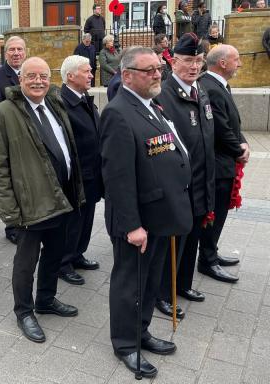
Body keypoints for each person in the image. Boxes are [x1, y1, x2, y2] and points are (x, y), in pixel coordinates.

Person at [100, 47, 192, 378]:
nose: (157, 75)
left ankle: (141, 331)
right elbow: (117, 178)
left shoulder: (149, 106)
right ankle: (126, 343)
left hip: (158, 215)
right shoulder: (118, 112)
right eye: (149, 70)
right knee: (130, 283)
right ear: (127, 76)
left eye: (159, 69)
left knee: (150, 281)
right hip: (136, 222)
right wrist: (132, 226)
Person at [0, 57, 84, 343]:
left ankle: (46, 300)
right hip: (30, 206)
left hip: (61, 197)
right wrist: (10, 213)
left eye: (43, 75)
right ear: (20, 79)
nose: (38, 81)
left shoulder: (54, 105)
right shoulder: (2, 114)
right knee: (26, 262)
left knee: (55, 254)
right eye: (31, 76)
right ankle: (24, 311)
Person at [154, 33, 215, 319]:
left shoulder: (199, 90)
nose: (194, 66)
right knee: (172, 244)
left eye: (199, 61)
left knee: (192, 239)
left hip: (201, 181)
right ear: (173, 61)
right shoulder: (164, 95)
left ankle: (183, 285)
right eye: (188, 61)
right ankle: (163, 294)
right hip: (179, 186)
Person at [199, 45, 247, 283]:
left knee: (218, 215)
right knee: (213, 215)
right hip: (218, 165)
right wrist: (239, 150)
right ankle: (207, 261)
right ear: (223, 63)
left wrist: (243, 143)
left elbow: (233, 123)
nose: (239, 64)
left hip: (225, 160)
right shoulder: (211, 88)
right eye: (236, 59)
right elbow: (220, 129)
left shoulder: (219, 85)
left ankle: (212, 253)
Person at [59, 55, 103, 286]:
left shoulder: (84, 98)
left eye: (90, 71)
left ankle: (77, 254)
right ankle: (63, 262)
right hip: (76, 176)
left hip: (92, 172)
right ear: (70, 76)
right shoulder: (62, 103)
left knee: (87, 219)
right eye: (86, 71)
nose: (90, 75)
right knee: (73, 222)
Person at [0, 36, 27, 244]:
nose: (16, 53)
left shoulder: (30, 73)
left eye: (20, 49)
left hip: (30, 140)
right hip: (9, 141)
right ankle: (12, 226)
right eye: (12, 50)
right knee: (11, 184)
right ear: (5, 53)